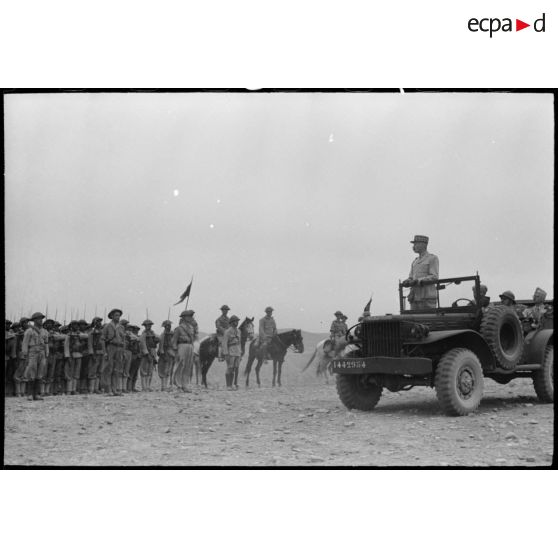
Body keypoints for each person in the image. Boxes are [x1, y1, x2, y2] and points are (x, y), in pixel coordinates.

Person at [402, 235, 439, 310]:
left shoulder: (432, 258)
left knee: (426, 319)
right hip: (414, 297)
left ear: (423, 245)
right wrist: (407, 281)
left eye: (416, 244)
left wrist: (418, 281)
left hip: (426, 297)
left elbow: (434, 276)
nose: (414, 246)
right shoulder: (415, 261)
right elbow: (411, 277)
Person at [22, 312, 50, 401]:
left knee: (40, 373)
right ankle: (30, 394)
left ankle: (37, 394)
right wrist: (25, 354)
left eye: (41, 319)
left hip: (42, 352)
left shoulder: (45, 331)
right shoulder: (29, 331)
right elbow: (25, 343)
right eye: (38, 319)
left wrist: (47, 353)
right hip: (32, 352)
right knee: (32, 373)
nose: (41, 320)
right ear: (34, 320)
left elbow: (46, 343)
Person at [102, 308, 126, 396]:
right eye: (116, 315)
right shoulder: (107, 326)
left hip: (119, 348)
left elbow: (123, 340)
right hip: (110, 348)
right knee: (109, 369)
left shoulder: (121, 327)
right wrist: (104, 352)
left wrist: (123, 352)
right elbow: (103, 340)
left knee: (117, 369)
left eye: (119, 315)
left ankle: (115, 389)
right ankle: (108, 390)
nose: (118, 317)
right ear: (112, 316)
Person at [171, 310, 195, 392]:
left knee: (188, 366)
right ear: (184, 317)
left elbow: (192, 339)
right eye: (189, 316)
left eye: (191, 316)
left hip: (189, 346)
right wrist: (175, 350)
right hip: (181, 345)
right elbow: (174, 340)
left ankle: (185, 385)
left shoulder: (191, 327)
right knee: (180, 365)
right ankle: (178, 385)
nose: (191, 318)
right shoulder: (179, 328)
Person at [87, 317, 106, 394]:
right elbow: (90, 344)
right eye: (98, 322)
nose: (99, 323)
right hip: (95, 353)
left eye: (100, 322)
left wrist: (105, 352)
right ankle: (91, 389)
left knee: (99, 371)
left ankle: (96, 388)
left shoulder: (102, 332)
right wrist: (92, 354)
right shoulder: (92, 333)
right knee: (93, 371)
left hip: (101, 353)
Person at [222, 315, 241, 390]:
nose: (236, 323)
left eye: (237, 321)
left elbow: (240, 342)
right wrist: (226, 353)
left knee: (235, 368)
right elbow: (224, 343)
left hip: (237, 351)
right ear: (231, 322)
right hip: (231, 350)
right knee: (230, 367)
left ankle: (232, 384)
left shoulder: (239, 331)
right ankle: (228, 385)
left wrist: (240, 352)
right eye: (235, 321)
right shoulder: (227, 331)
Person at [139, 319, 159, 392]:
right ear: (144, 326)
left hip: (152, 352)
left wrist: (156, 339)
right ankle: (144, 387)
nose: (149, 326)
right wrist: (146, 353)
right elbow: (142, 344)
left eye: (150, 325)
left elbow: (157, 340)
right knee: (144, 370)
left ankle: (148, 386)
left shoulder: (152, 333)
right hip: (146, 354)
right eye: (147, 325)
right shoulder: (143, 334)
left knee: (150, 370)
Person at [64, 320, 83, 395]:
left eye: (77, 325)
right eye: (74, 325)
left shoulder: (80, 334)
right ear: (71, 326)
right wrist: (67, 356)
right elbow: (66, 346)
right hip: (71, 355)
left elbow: (86, 336)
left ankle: (74, 389)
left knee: (77, 372)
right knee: (70, 372)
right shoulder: (69, 335)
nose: (76, 326)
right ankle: (69, 390)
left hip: (78, 354)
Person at [13, 318, 30, 397]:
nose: (26, 324)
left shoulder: (29, 331)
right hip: (20, 354)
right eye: (25, 323)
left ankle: (22, 392)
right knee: (18, 372)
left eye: (27, 322)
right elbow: (16, 345)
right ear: (22, 324)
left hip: (27, 354)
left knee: (25, 372)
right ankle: (18, 392)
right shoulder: (19, 333)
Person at [157, 320, 174, 391]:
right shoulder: (163, 335)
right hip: (164, 354)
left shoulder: (172, 334)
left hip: (171, 354)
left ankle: (166, 386)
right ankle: (163, 387)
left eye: (169, 325)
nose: (168, 327)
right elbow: (161, 346)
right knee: (163, 370)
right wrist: (163, 354)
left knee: (168, 370)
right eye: (167, 326)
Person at [127, 325, 142, 392]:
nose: (136, 331)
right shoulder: (131, 338)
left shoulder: (137, 337)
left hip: (138, 355)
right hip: (133, 355)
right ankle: (129, 387)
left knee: (135, 373)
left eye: (137, 330)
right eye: (135, 330)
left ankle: (133, 387)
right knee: (131, 372)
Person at [5, 320, 17, 396]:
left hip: (9, 356)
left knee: (9, 374)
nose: (8, 326)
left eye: (9, 325)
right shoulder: (10, 334)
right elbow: (8, 336)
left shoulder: (10, 333)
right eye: (7, 324)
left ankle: (8, 391)